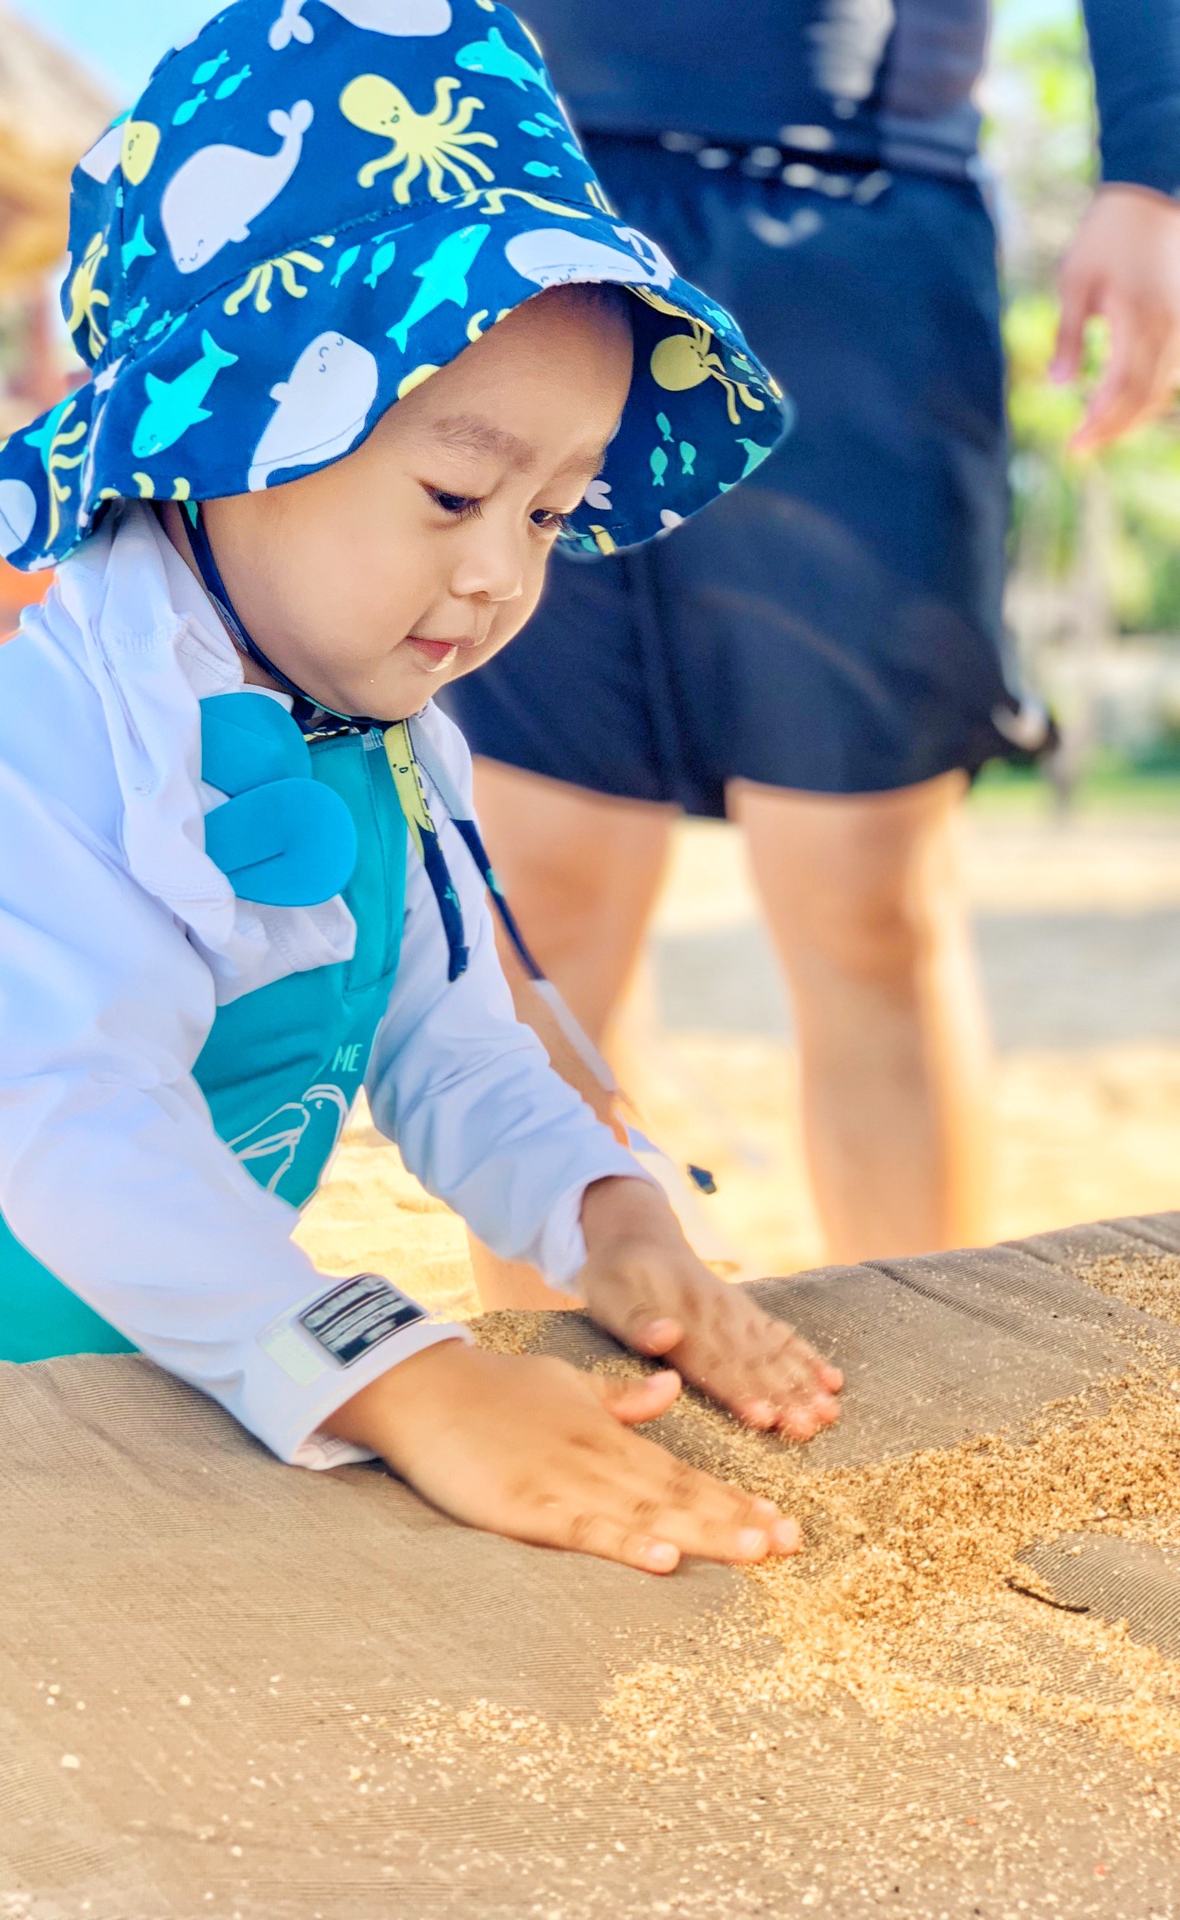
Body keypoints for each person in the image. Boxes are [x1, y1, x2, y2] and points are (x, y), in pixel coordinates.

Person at [0, 0, 843, 1577]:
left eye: (548, 512)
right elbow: (89, 1130)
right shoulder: (36, 745)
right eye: (456, 491)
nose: (496, 574)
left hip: (135, 1356)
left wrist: (611, 1215)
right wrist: (409, 1376)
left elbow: (450, 1051)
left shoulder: (392, 740)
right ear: (243, 427)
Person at [445, 0, 1180, 1275]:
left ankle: (936, 1414)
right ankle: (563, 1393)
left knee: (862, 898)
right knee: (542, 892)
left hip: (850, 213)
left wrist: (1155, 165)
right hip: (515, 202)